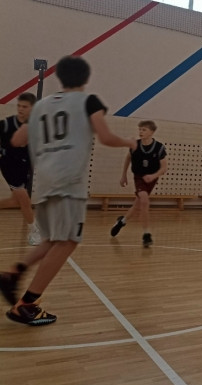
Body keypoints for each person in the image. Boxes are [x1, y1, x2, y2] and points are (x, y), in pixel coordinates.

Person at [0, 56, 135, 325]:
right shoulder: (88, 101)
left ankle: (13, 274)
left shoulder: (42, 105)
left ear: (60, 78)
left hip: (44, 183)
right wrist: (129, 142)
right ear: (86, 78)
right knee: (68, 241)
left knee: (52, 239)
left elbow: (17, 139)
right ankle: (26, 304)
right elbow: (106, 137)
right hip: (68, 183)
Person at [110, 120, 167, 247]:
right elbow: (128, 158)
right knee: (145, 201)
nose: (140, 132)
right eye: (140, 129)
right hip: (139, 177)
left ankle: (122, 221)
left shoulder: (159, 148)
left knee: (137, 205)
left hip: (151, 178)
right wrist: (124, 175)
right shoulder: (134, 145)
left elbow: (164, 168)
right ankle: (146, 235)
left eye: (144, 129)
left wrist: (153, 176)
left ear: (152, 132)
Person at [0, 93, 41, 245]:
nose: (20, 109)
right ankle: (34, 231)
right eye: (19, 106)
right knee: (25, 201)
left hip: (24, 167)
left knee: (15, 201)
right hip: (9, 166)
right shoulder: (7, 124)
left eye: (24, 106)